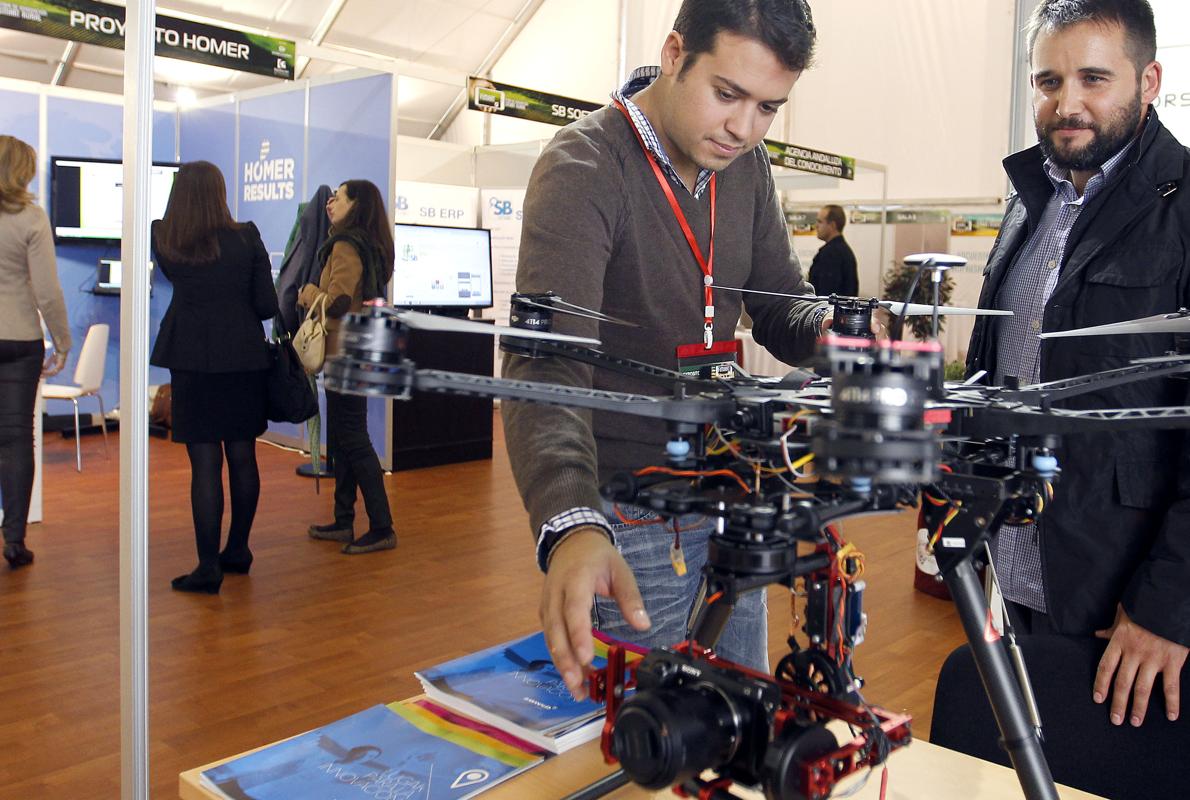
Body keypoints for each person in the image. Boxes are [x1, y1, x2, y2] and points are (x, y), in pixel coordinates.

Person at [503, 0, 844, 700]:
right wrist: (570, 521)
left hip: (728, 499)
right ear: (674, 53)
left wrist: (849, 335)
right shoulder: (585, 165)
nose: (744, 128)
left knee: (736, 720)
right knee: (650, 739)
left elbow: (780, 300)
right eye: (728, 95)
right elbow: (547, 358)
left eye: (769, 109)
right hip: (628, 514)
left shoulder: (744, 167)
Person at [966, 0, 1189, 732]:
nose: (1067, 104)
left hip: (1128, 600)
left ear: (1149, 79)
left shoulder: (1182, 208)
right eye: (1048, 80)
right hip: (1023, 567)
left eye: (1095, 78)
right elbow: (998, 370)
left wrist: (1168, 604)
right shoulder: (1031, 201)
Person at [151, 161, 278, 594]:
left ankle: (208, 567)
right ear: (221, 192)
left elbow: (178, 275)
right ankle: (238, 550)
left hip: (191, 357)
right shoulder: (247, 236)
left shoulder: (164, 237)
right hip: (243, 357)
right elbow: (266, 304)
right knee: (243, 456)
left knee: (204, 464)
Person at [298, 180, 396, 555]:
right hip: (360, 348)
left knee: (352, 438)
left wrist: (307, 293)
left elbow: (338, 301)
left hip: (345, 351)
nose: (330, 202)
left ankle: (382, 526)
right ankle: (343, 520)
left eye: (339, 196)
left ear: (356, 205)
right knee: (343, 436)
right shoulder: (370, 245)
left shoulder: (344, 244)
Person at [0, 135, 71, 569]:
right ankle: (14, 540)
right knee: (16, 440)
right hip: (19, 341)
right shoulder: (31, 217)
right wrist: (62, 342)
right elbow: (46, 290)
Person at [807, 204, 858, 297]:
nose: (816, 226)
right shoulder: (843, 250)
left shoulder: (831, 253)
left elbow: (826, 293)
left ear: (832, 225)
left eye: (820, 221)